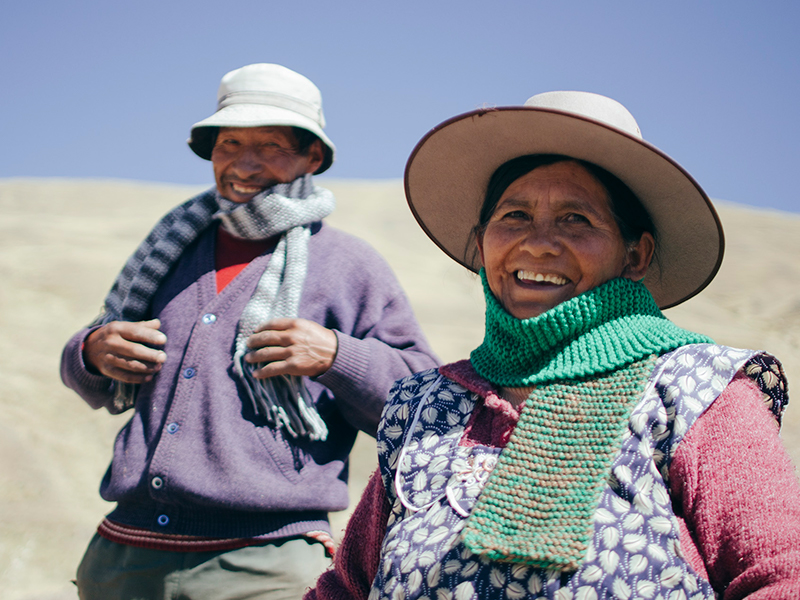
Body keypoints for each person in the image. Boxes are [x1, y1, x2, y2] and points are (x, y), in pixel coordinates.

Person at [306, 91, 800, 600]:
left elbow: (779, 577)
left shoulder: (696, 390)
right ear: (480, 244)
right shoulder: (424, 404)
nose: (539, 243)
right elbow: (348, 587)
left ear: (636, 254)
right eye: (514, 216)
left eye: (576, 219)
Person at [60, 63, 438, 600]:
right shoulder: (167, 249)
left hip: (267, 563)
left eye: (271, 146)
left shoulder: (349, 264)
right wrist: (91, 352)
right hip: (124, 555)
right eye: (229, 142)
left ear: (314, 157)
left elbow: (423, 397)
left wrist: (336, 355)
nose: (243, 162)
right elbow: (90, 364)